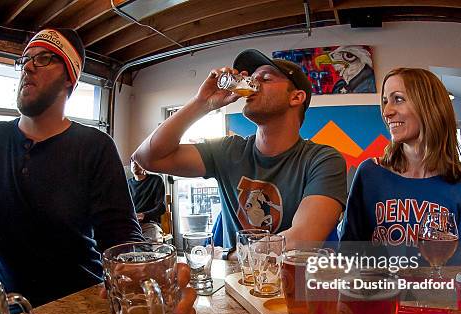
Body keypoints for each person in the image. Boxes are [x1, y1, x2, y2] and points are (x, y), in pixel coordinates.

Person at [0, 29, 195, 314]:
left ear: (70, 77)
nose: (29, 66)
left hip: (84, 306)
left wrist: (144, 273)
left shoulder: (94, 147)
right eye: (26, 59)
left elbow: (120, 237)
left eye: (44, 58)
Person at [133, 49, 347, 249]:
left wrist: (233, 254)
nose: (253, 84)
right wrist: (203, 103)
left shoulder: (322, 159)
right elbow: (147, 158)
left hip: (293, 286)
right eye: (253, 79)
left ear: (296, 97)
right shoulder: (228, 150)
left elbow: (302, 238)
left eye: (265, 78)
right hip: (233, 286)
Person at [338, 67, 461, 262]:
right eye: (386, 101)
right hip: (376, 291)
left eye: (398, 99)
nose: (386, 112)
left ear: (429, 106)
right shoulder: (369, 173)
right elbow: (347, 253)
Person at [127, 158, 166, 242]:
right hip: (132, 224)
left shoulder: (156, 180)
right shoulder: (127, 184)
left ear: (144, 165)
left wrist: (143, 215)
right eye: (132, 162)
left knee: (153, 243)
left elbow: (161, 208)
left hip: (150, 224)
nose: (134, 164)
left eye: (137, 162)